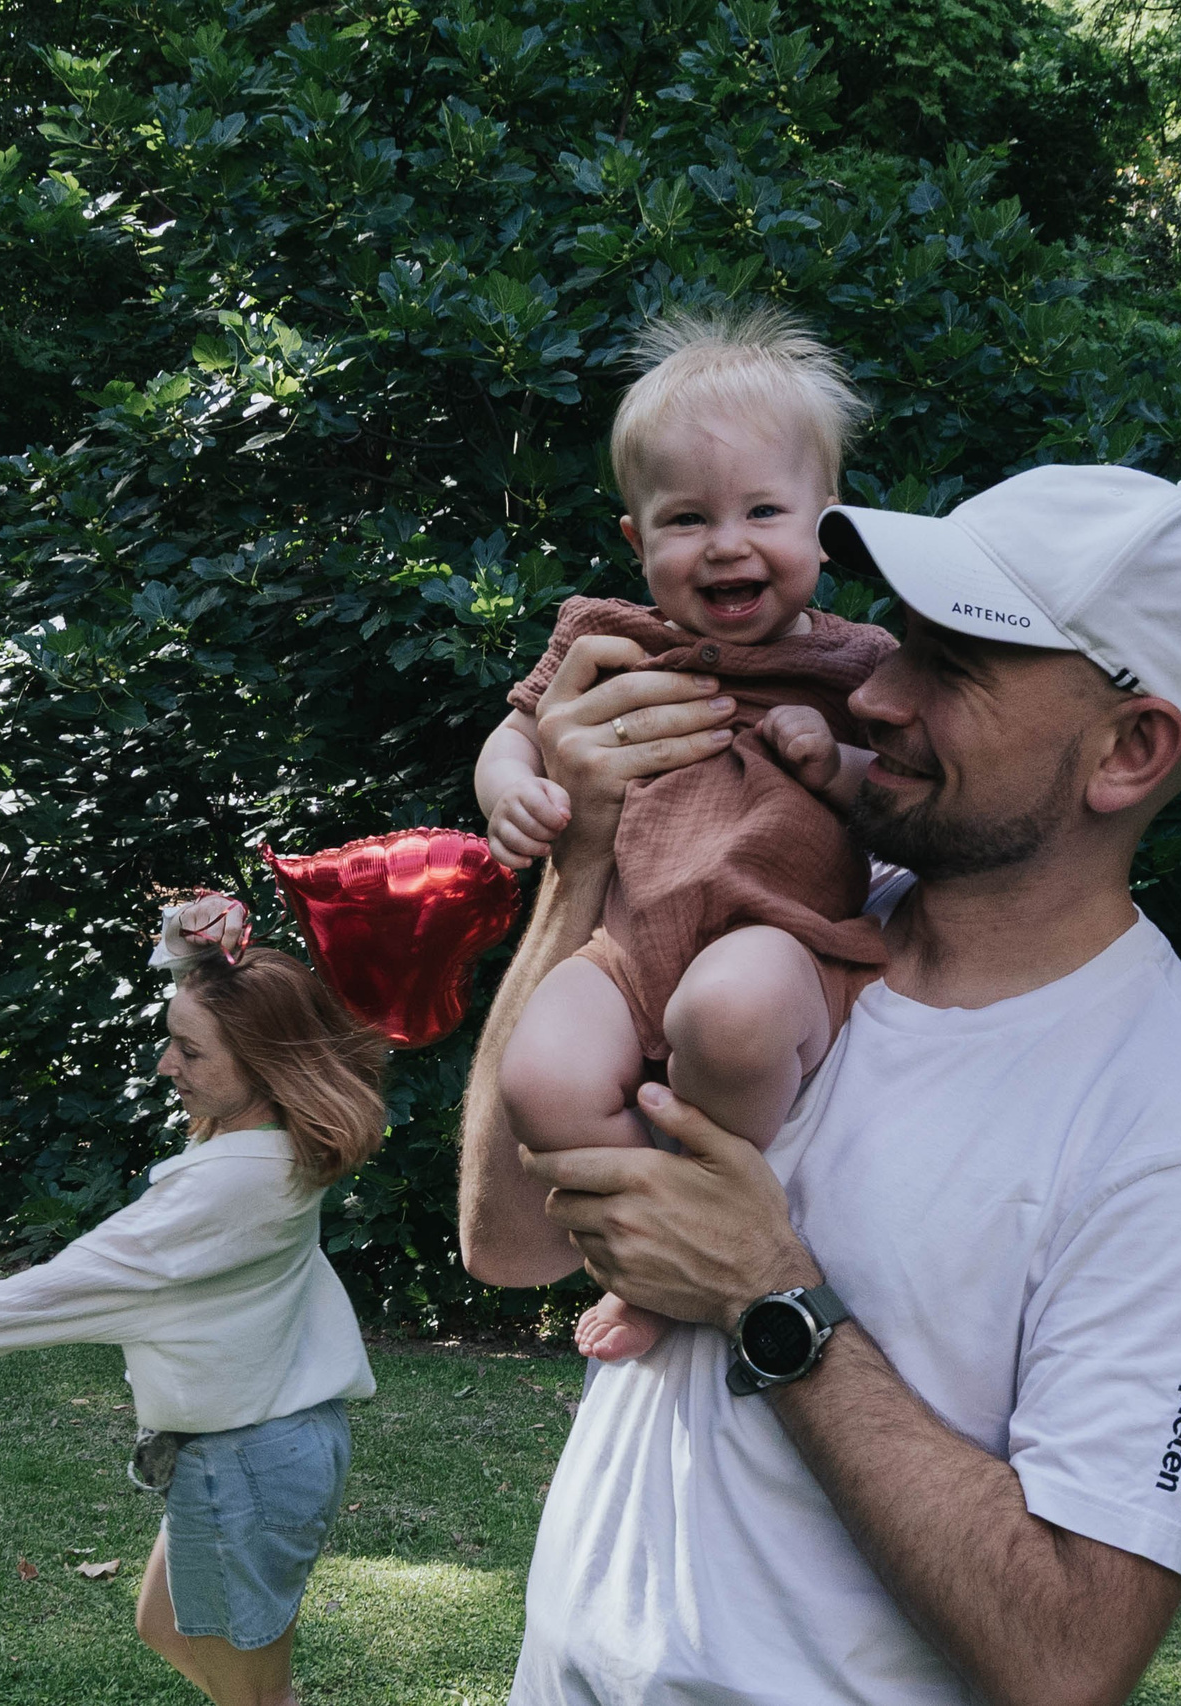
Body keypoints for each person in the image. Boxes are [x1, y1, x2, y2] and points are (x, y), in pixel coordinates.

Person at [460, 463, 1181, 1705]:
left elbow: (1068, 1656)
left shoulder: (1170, 1131)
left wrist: (771, 1296)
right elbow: (505, 1239)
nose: (878, 690)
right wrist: (580, 861)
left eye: (953, 666)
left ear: (1129, 749)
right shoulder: (785, 936)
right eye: (898, 635)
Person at [0, 908, 380, 1706]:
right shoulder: (278, 1141)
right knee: (165, 1626)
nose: (166, 1064)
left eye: (190, 1050)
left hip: (247, 1465)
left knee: (257, 1700)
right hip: (265, 1451)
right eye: (172, 1038)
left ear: (262, 1061)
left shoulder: (224, 1187)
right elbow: (215, 999)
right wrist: (190, 937)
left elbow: (50, 1295)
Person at [474, 307, 895, 1364]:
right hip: (625, 942)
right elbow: (512, 731)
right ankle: (649, 1260)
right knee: (543, 1075)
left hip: (779, 932)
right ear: (635, 538)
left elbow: (904, 797)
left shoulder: (861, 665)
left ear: (824, 524)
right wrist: (508, 790)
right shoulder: (610, 641)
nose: (726, 543)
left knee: (735, 1010)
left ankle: (715, 1230)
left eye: (763, 508)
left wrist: (834, 763)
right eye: (686, 518)